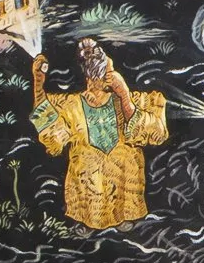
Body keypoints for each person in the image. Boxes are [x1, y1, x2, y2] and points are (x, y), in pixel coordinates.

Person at [30, 38, 170, 232]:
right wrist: (38, 84)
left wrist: (125, 96)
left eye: (110, 71)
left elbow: (157, 133)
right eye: (106, 73)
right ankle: (86, 220)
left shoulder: (132, 100)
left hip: (125, 193)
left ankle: (122, 216)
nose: (110, 77)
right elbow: (52, 136)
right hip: (87, 197)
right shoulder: (71, 105)